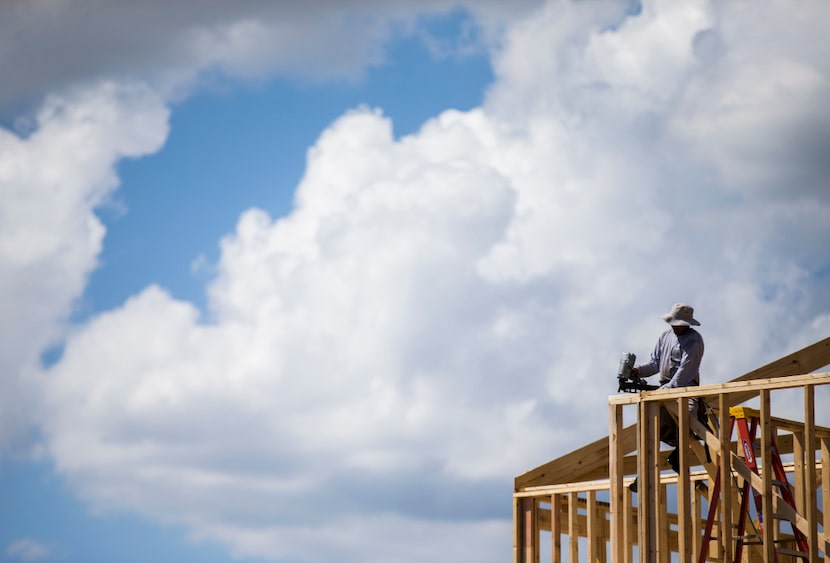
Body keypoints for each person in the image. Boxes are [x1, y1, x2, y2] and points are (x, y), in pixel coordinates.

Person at [629, 303, 704, 492]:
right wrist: (637, 372)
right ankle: (643, 473)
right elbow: (654, 364)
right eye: (674, 323)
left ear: (688, 324)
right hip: (665, 387)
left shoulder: (694, 340)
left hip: (686, 389)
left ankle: (679, 459)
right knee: (648, 428)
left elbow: (684, 373)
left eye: (679, 324)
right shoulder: (666, 336)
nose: (676, 327)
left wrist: (665, 391)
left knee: (687, 420)